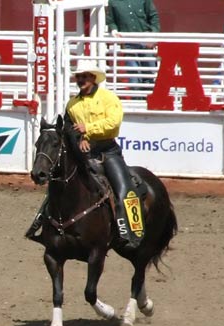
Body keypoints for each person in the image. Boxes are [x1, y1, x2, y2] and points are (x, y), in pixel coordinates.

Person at [26, 60, 144, 249]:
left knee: (124, 190)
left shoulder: (108, 98)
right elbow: (67, 129)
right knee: (59, 186)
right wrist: (79, 137)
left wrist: (88, 129)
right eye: (78, 76)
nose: (80, 80)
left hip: (108, 152)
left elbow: (114, 123)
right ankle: (40, 224)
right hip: (84, 153)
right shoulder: (72, 104)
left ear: (93, 78)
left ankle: (131, 233)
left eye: (84, 76)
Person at [106, 0, 160, 84]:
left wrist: (153, 35)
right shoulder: (113, 2)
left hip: (145, 41)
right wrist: (114, 30)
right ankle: (137, 96)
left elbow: (153, 16)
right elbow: (110, 20)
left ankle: (146, 96)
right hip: (128, 42)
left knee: (149, 75)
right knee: (134, 76)